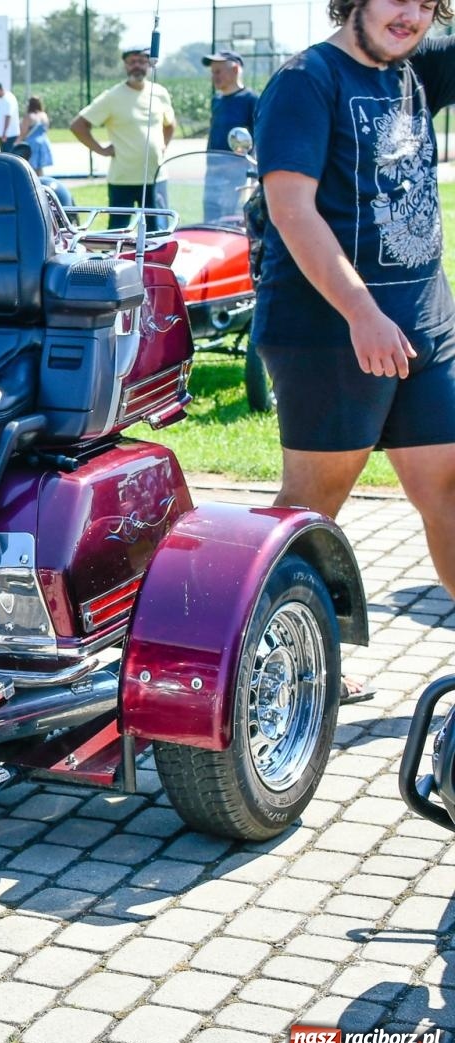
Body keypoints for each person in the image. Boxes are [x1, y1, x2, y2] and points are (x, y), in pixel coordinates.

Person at [254, 0, 455, 630]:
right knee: (309, 514)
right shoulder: (307, 80)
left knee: (449, 492)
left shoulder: (417, 68)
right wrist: (361, 312)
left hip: (425, 330)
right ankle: (274, 656)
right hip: (329, 335)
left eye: (427, 4)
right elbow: (291, 211)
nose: (411, 15)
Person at [71, 46, 176, 217]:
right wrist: (102, 150)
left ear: (149, 64)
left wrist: (163, 145)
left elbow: (170, 124)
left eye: (141, 61)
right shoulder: (112, 97)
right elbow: (78, 126)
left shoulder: (160, 93)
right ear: (125, 65)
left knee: (158, 230)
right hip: (123, 179)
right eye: (132, 62)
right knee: (119, 230)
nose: (137, 66)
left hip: (155, 177)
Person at [202, 51, 260, 221]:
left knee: (232, 221)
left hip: (237, 176)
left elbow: (258, 140)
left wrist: (253, 176)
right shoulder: (217, 100)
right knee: (210, 221)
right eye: (213, 72)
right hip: (213, 173)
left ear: (235, 70)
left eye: (218, 71)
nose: (214, 76)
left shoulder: (251, 100)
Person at [20, 94, 54, 176]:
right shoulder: (44, 115)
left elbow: (24, 132)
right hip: (43, 142)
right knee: (40, 167)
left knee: (31, 167)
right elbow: (46, 129)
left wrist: (18, 141)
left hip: (32, 143)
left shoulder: (29, 116)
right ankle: (41, 182)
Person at [0, 82, 20, 152]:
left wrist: (5, 133)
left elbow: (8, 116)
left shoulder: (7, 99)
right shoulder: (5, 98)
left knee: (7, 155)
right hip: (7, 134)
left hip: (8, 135)